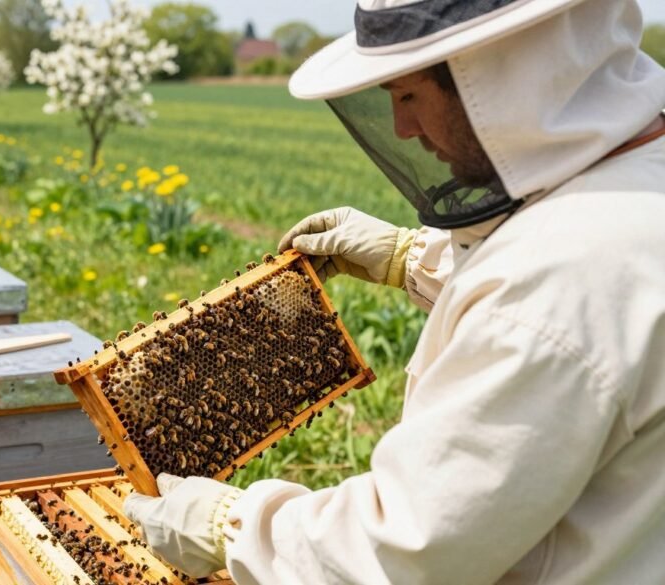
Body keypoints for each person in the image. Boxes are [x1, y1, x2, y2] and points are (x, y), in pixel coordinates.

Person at [123, 0, 665, 583]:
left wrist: (228, 525)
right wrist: (416, 258)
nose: (401, 128)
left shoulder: (555, 286)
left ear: (500, 77)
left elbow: (405, 549)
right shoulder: (635, 185)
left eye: (407, 95)